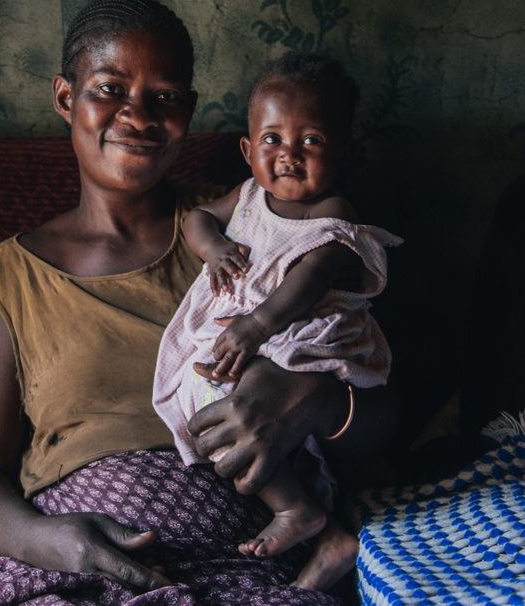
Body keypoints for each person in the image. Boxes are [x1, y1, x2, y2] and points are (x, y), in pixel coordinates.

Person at [0, 0, 396, 605]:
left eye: (165, 97)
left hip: (248, 569)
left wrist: (311, 399)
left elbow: (386, 424)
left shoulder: (260, 228)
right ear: (66, 98)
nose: (138, 116)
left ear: (189, 112)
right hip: (73, 570)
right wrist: (46, 541)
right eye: (109, 89)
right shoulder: (15, 277)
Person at [153, 53, 401, 568]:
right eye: (272, 140)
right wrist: (214, 249)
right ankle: (313, 522)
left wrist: (256, 325)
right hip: (250, 336)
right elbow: (197, 218)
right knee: (204, 398)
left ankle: (299, 511)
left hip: (300, 335)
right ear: (247, 150)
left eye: (310, 140)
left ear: (342, 153)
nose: (289, 154)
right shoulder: (245, 197)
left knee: (242, 396)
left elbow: (308, 282)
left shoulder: (333, 215)